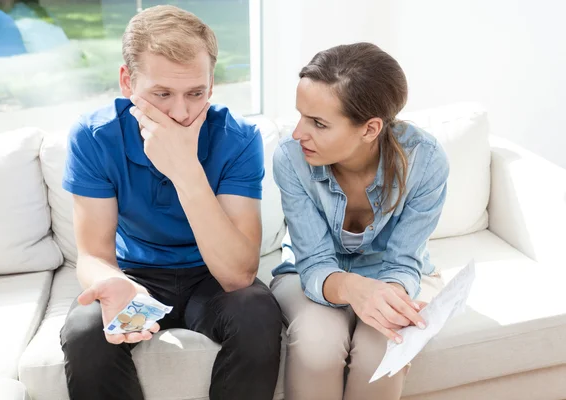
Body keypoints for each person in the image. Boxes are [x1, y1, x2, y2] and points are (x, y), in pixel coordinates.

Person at [59, 5, 282, 400]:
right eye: (161, 94)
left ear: (211, 86)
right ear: (127, 81)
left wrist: (184, 170)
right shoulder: (94, 136)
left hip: (210, 278)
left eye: (196, 93)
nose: (180, 113)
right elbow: (93, 254)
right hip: (136, 276)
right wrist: (114, 284)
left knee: (257, 311)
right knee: (83, 332)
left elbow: (236, 275)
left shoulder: (239, 138)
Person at [271, 42, 449, 400]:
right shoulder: (291, 160)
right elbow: (314, 261)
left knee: (382, 347)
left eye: (318, 123)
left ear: (370, 129)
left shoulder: (425, 162)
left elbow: (404, 261)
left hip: (393, 275)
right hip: (310, 273)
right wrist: (354, 289)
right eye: (301, 115)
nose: (297, 133)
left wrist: (388, 296)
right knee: (317, 347)